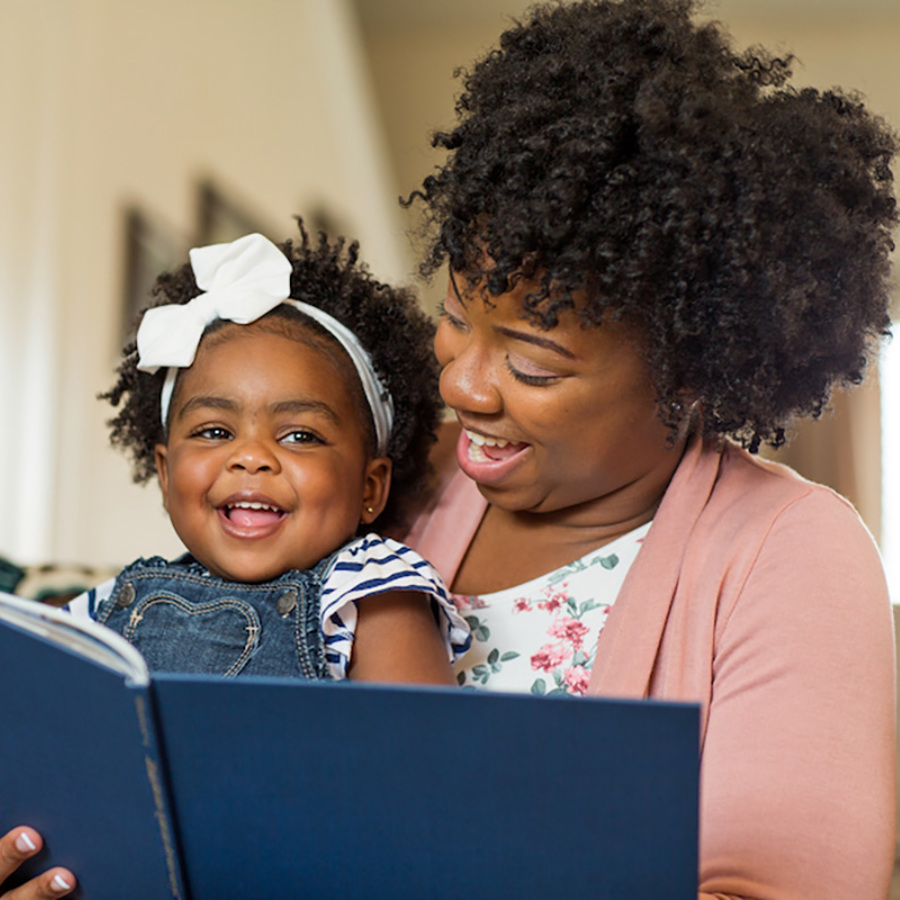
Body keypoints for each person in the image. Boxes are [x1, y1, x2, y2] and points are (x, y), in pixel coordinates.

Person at [395, 1, 898, 897]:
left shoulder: (793, 554)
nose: (464, 386)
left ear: (691, 375)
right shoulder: (396, 480)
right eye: (456, 317)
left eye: (534, 363)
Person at [1, 224, 470, 898]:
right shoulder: (114, 603)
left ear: (371, 487)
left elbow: (428, 784)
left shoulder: (370, 589)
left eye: (300, 435)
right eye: (215, 431)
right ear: (165, 473)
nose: (251, 456)